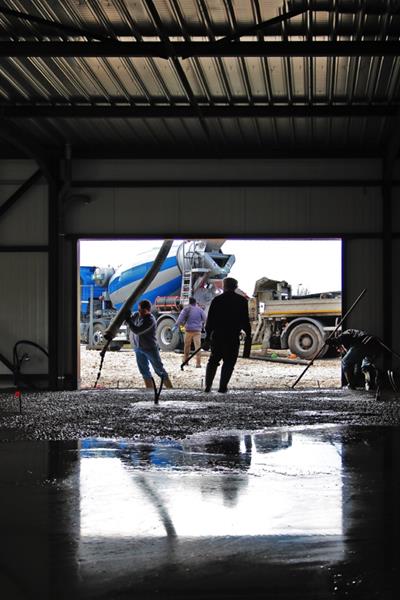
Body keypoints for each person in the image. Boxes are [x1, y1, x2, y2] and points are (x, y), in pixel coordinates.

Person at [203, 277, 252, 393]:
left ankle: (208, 386)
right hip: (232, 337)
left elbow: (210, 321)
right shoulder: (241, 301)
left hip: (218, 336)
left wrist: (207, 336)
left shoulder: (217, 300)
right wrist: (249, 335)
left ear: (224, 286)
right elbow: (245, 320)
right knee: (229, 363)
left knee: (213, 361)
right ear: (235, 287)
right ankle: (222, 387)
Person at [126, 299, 173, 390]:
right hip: (138, 348)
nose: (140, 312)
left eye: (142, 311)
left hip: (150, 348)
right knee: (144, 371)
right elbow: (130, 321)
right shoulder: (137, 315)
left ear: (148, 310)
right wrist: (127, 315)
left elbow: (137, 330)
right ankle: (150, 391)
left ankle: (171, 390)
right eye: (139, 310)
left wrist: (128, 320)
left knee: (159, 370)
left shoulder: (150, 320)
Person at [173, 296, 206, 368]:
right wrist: (202, 325)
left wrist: (175, 326)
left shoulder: (186, 309)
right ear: (195, 302)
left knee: (187, 346)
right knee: (198, 347)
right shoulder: (200, 310)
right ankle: (198, 363)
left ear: (189, 302)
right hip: (197, 331)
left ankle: (186, 361)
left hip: (188, 331)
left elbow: (180, 319)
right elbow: (205, 318)